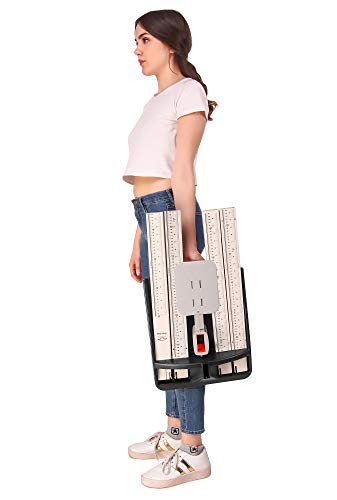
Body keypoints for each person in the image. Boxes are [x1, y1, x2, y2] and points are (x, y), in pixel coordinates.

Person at [123, 10, 218, 489]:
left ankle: (194, 451)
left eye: (145, 39)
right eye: (135, 40)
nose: (136, 49)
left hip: (171, 216)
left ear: (170, 43)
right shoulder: (156, 101)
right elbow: (148, 174)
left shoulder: (188, 93)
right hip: (149, 216)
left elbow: (182, 173)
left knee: (185, 333)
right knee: (167, 332)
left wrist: (188, 242)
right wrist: (140, 237)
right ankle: (175, 432)